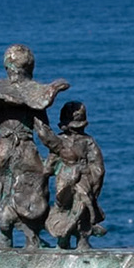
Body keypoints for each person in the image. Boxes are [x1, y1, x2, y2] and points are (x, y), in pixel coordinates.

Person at [0, 45, 68, 247]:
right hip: (25, 151)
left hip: (3, 150)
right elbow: (44, 133)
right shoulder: (33, 96)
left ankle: (4, 238)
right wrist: (62, 149)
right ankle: (31, 238)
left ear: (7, 67)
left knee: (2, 192)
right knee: (31, 193)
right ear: (30, 67)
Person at [40, 101, 108, 249]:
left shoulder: (88, 142)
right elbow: (51, 163)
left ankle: (82, 238)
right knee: (64, 208)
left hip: (82, 180)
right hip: (64, 180)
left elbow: (98, 167)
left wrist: (93, 182)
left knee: (82, 207)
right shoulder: (60, 141)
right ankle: (63, 238)